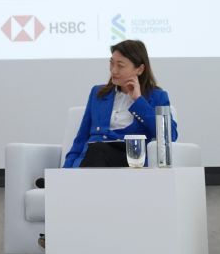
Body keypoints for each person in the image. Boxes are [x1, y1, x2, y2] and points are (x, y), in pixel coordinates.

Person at [63, 39, 177, 169]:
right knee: (97, 149)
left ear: (140, 69)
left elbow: (170, 136)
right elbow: (81, 139)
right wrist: (63, 172)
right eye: (111, 63)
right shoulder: (98, 93)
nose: (113, 70)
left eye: (120, 65)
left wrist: (138, 101)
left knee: (99, 148)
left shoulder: (157, 96)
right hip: (91, 159)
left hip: (130, 160)